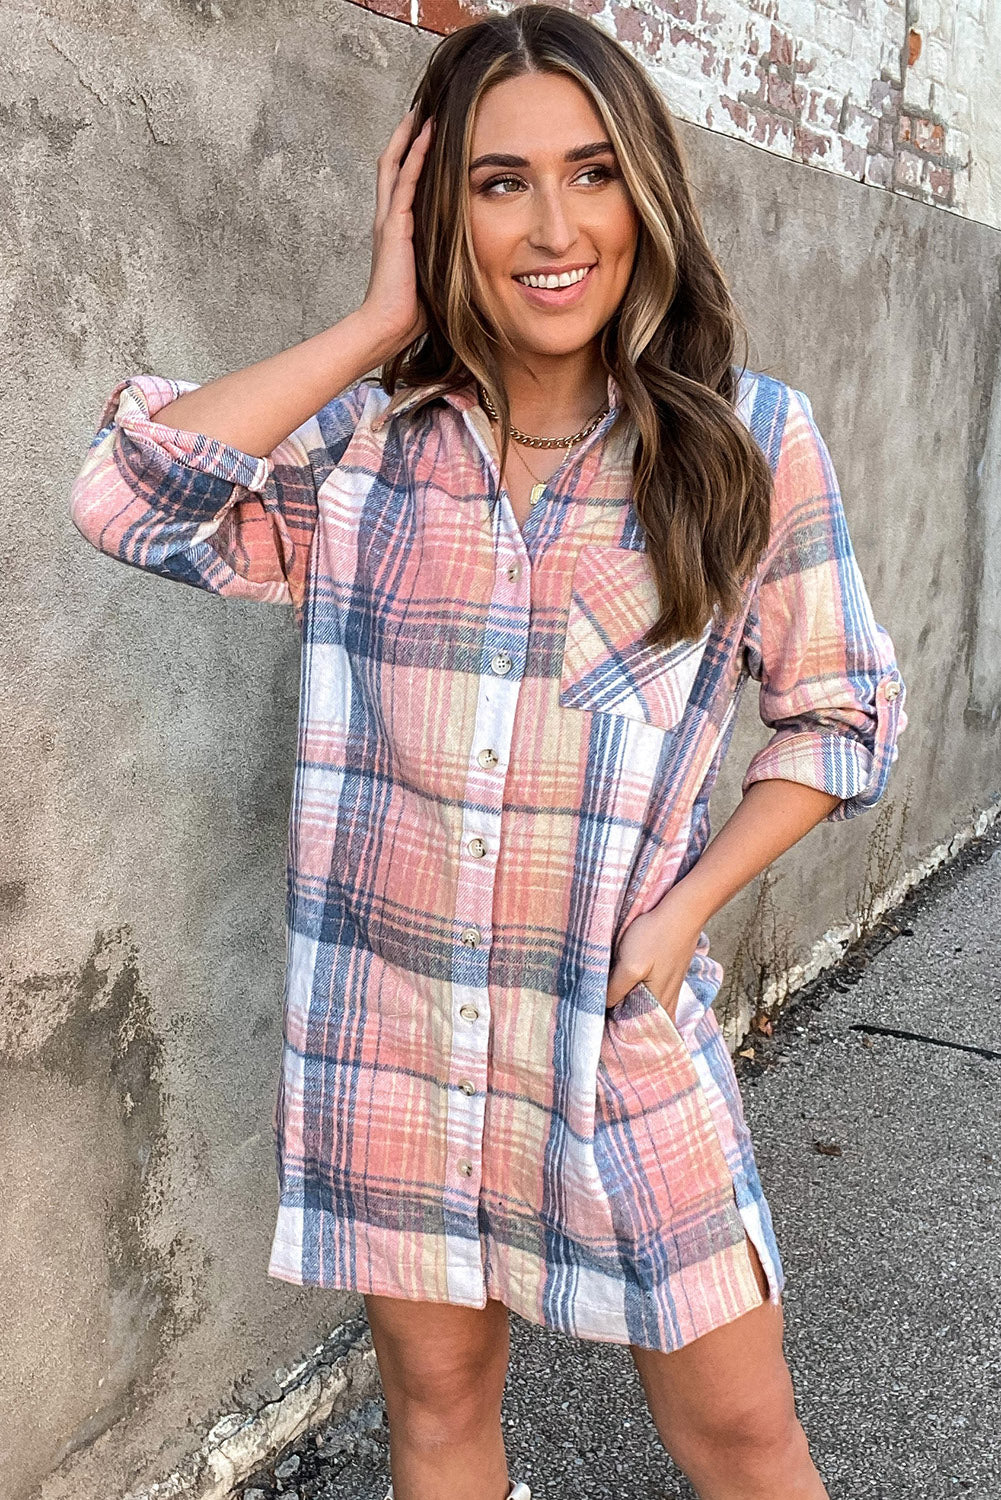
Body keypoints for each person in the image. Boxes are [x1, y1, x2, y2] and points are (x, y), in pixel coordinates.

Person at [69, 5, 907, 1498]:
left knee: (743, 1434)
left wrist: (681, 917)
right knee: (439, 1409)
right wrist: (374, 323)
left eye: (591, 173)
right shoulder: (366, 450)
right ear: (437, 208)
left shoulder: (743, 443)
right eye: (499, 181)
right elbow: (127, 500)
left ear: (645, 193)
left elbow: (840, 712)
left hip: (613, 1026)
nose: (553, 228)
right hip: (397, 1038)